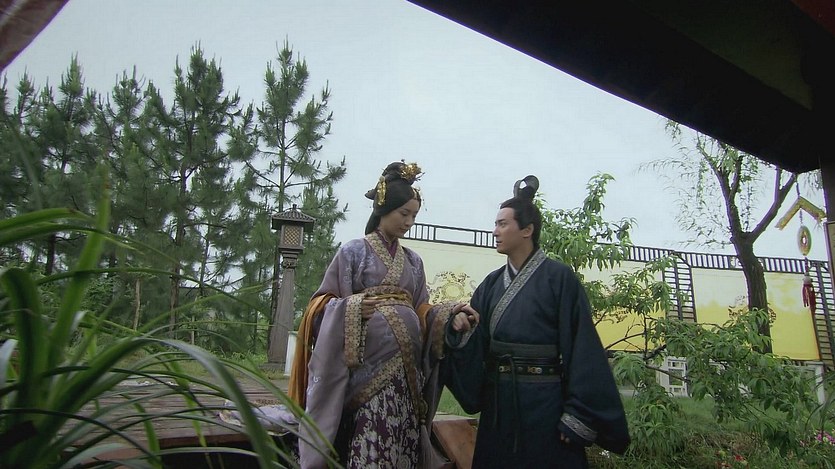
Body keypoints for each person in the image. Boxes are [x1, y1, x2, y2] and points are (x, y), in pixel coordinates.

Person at [292, 161, 477, 469]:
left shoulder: (413, 262)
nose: (409, 222)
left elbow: (422, 309)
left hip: (407, 373)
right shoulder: (353, 252)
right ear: (383, 208)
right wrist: (351, 307)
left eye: (414, 215)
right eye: (404, 213)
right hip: (366, 373)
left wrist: (449, 314)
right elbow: (320, 305)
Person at [442, 175, 630, 468]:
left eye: (502, 224)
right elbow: (474, 338)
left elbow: (583, 348)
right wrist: (457, 327)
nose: (495, 231)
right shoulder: (491, 284)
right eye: (495, 224)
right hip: (499, 405)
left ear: (527, 230)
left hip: (546, 405)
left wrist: (577, 414)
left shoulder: (559, 279)